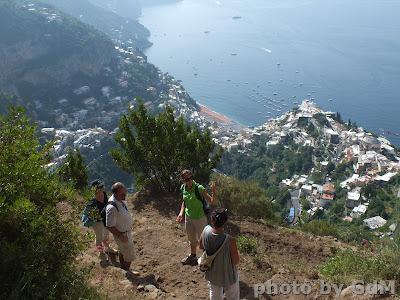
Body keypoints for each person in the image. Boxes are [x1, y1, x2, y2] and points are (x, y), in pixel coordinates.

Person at [176, 169, 216, 265]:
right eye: (186, 179)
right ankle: (193, 256)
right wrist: (181, 213)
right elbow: (184, 202)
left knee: (204, 240)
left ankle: (207, 260)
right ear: (183, 180)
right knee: (191, 239)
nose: (189, 180)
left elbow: (212, 202)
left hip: (200, 218)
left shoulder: (199, 188)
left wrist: (213, 191)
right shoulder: (183, 188)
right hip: (188, 217)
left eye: (190, 178)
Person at [199, 208, 240, 300]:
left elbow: (201, 246)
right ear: (225, 222)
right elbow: (236, 261)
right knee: (232, 296)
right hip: (228, 275)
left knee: (214, 293)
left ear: (212, 220)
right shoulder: (230, 240)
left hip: (212, 273)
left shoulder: (206, 230)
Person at [82, 180, 117, 261]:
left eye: (102, 186)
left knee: (106, 235)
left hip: (105, 219)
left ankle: (107, 248)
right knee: (99, 238)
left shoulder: (104, 194)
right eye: (99, 187)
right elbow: (87, 212)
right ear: (95, 189)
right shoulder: (92, 200)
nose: (101, 188)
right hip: (96, 222)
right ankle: (101, 253)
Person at [105, 182, 134, 271]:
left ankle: (123, 269)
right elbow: (109, 226)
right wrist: (121, 236)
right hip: (123, 235)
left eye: (125, 191)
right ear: (115, 193)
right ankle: (127, 272)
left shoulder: (119, 199)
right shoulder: (112, 207)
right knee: (129, 256)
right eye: (122, 193)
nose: (125, 194)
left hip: (125, 233)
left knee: (122, 251)